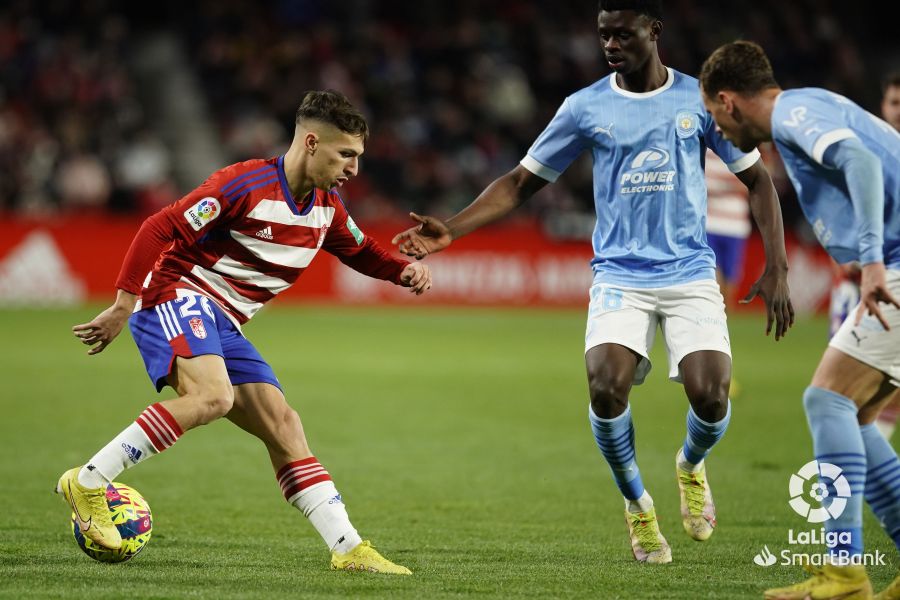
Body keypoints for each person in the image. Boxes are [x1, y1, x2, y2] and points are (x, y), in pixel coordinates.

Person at [393, 0, 793, 565]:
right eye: (603, 36)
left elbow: (758, 181)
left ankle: (690, 465)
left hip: (689, 272)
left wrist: (775, 264)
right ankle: (638, 506)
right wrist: (451, 230)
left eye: (622, 35)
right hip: (619, 275)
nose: (610, 45)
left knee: (711, 394)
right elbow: (518, 183)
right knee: (605, 386)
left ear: (653, 31)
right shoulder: (584, 108)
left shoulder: (696, 101)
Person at [57, 90, 431, 575]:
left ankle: (348, 548)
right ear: (312, 143)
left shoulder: (327, 209)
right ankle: (87, 482)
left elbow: (363, 252)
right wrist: (124, 304)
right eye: (347, 155)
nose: (354, 169)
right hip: (178, 295)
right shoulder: (244, 184)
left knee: (285, 426)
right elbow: (158, 227)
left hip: (224, 322)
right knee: (214, 397)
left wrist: (402, 271)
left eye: (358, 157)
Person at [700, 40, 900, 599]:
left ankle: (843, 574)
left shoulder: (793, 114)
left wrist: (873, 261)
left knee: (827, 400)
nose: (721, 130)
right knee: (856, 415)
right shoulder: (812, 104)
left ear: (728, 101)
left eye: (716, 116)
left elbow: (857, 159)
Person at [705, 148, 751, 310]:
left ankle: (724, 321)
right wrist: (731, 183)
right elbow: (700, 182)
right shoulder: (705, 148)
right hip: (709, 223)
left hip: (736, 226)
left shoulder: (741, 145)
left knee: (731, 280)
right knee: (711, 277)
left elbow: (751, 183)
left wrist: (717, 184)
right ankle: (711, 317)